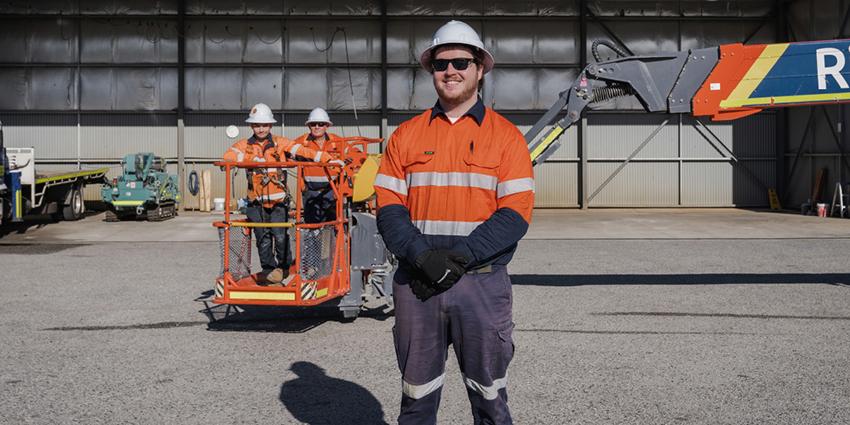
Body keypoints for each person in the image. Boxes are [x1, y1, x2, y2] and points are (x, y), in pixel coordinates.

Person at [374, 20, 535, 425]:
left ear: (480, 68)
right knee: (416, 399)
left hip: (480, 284)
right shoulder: (405, 136)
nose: (450, 71)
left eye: (461, 61)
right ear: (432, 71)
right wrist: (422, 257)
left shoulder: (507, 137)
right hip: (417, 284)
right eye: (440, 64)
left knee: (489, 397)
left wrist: (458, 257)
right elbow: (388, 207)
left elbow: (515, 214)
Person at [222, 103, 341, 285]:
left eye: (264, 125)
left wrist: (327, 158)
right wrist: (251, 160)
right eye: (256, 125)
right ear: (251, 126)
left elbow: (304, 151)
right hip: (256, 203)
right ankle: (269, 271)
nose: (260, 129)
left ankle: (284, 267)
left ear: (270, 126)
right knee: (262, 238)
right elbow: (228, 157)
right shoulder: (243, 146)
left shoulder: (281, 143)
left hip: (278, 203)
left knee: (279, 236)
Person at [295, 107, 344, 224]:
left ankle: (333, 243)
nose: (317, 127)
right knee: (312, 228)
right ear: (309, 126)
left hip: (332, 192)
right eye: (313, 124)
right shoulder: (301, 142)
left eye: (321, 124)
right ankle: (313, 243)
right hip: (310, 191)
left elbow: (353, 153)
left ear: (327, 126)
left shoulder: (337, 142)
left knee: (333, 226)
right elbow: (286, 151)